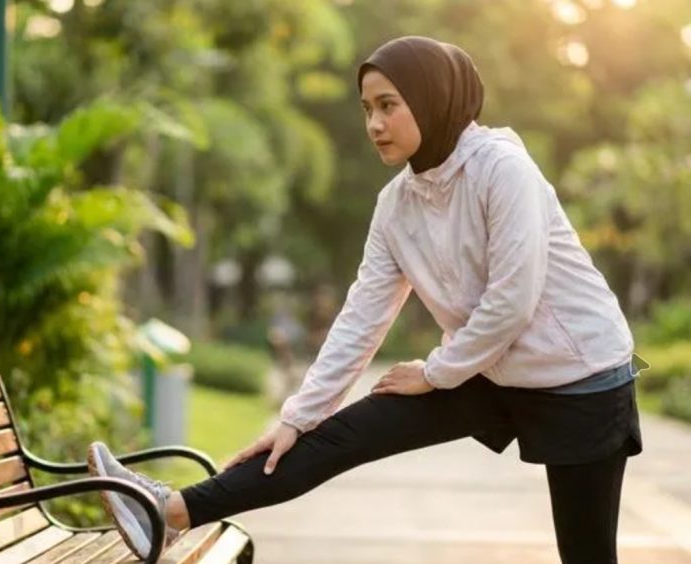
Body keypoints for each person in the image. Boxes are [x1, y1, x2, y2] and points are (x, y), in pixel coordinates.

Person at [88, 36, 643, 563]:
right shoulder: (397, 205)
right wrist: (298, 417)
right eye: (367, 109)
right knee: (336, 437)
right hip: (491, 370)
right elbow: (361, 318)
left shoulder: (503, 170)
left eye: (388, 105)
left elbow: (512, 301)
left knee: (586, 554)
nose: (374, 124)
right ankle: (167, 513)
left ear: (431, 98)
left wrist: (435, 372)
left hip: (581, 377)